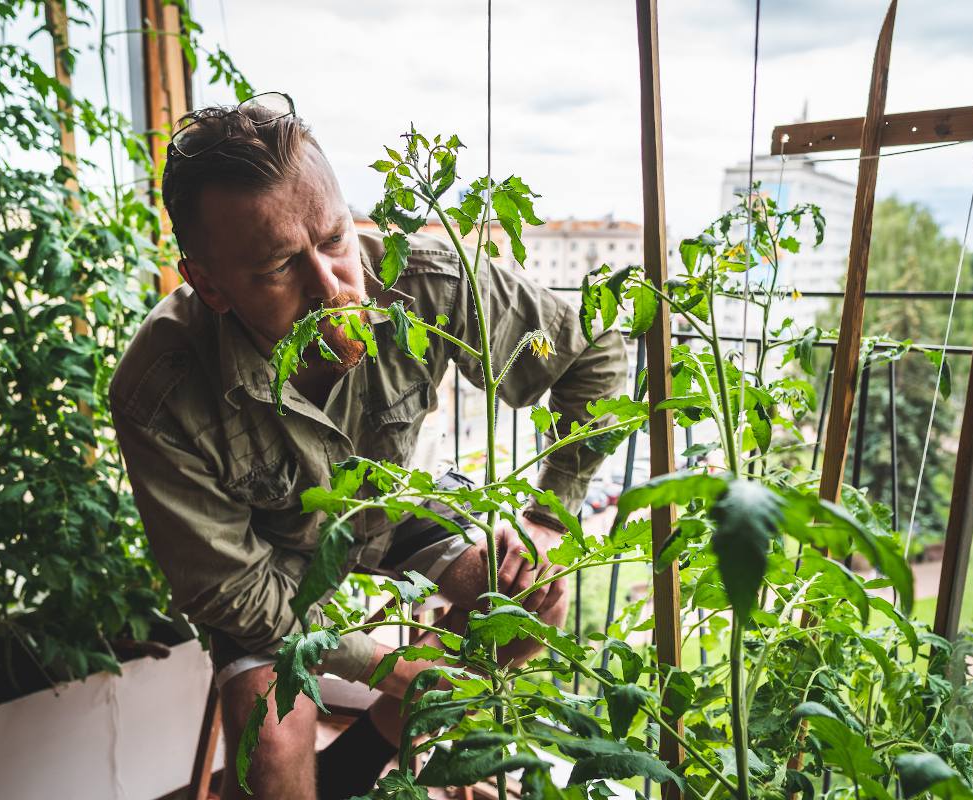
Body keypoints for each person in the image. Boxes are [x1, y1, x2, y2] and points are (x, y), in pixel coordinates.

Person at [109, 93, 627, 800]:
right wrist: (387, 664)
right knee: (270, 736)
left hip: (379, 508)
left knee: (529, 594)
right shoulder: (159, 390)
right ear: (209, 284)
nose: (333, 289)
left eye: (333, 241)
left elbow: (594, 353)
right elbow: (235, 592)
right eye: (278, 268)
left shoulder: (422, 284)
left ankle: (371, 751)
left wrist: (546, 511)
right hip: (264, 563)